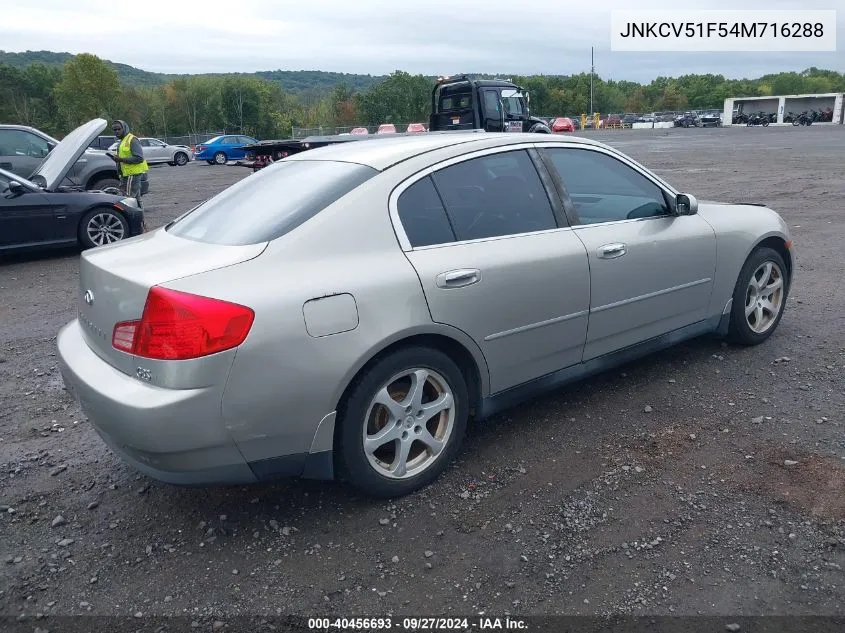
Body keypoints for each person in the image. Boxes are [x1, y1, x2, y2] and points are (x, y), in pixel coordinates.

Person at [109, 120, 149, 208]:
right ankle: (140, 221)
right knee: (136, 200)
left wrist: (120, 159)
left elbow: (139, 158)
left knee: (127, 200)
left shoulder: (132, 139)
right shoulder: (122, 141)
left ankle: (131, 221)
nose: (117, 131)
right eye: (115, 130)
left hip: (132, 175)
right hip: (127, 174)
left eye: (119, 129)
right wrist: (117, 160)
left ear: (124, 128)